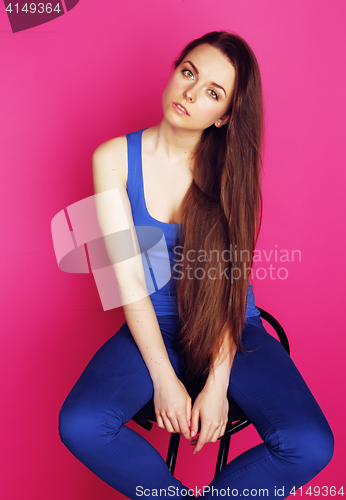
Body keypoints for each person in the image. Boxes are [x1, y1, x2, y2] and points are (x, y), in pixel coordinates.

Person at [58, 31, 334, 499]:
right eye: (189, 72)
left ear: (224, 115)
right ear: (174, 71)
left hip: (229, 327)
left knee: (309, 445)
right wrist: (164, 378)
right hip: (153, 324)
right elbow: (127, 282)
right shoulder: (113, 159)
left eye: (212, 92)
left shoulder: (233, 171)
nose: (189, 94)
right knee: (81, 424)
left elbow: (231, 288)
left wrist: (217, 384)